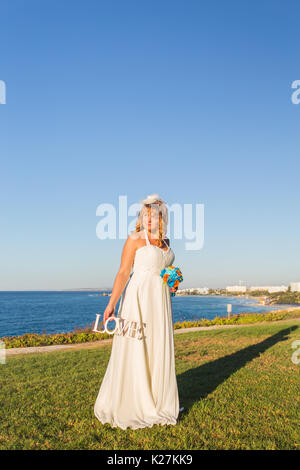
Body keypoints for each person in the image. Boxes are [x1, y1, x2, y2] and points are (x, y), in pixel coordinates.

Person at [94, 194, 183, 430]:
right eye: (145, 215)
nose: (148, 219)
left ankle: (158, 399)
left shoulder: (166, 243)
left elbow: (167, 271)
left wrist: (173, 282)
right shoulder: (134, 239)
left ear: (162, 217)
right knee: (136, 344)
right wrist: (111, 303)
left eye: (153, 215)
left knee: (157, 346)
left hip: (161, 300)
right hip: (138, 298)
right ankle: (134, 401)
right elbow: (123, 272)